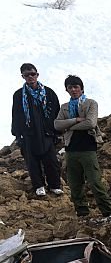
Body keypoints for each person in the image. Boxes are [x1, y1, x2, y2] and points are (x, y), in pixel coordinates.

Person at [53, 75, 111, 217]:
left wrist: (70, 126)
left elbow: (91, 123)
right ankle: (82, 213)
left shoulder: (91, 103)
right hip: (70, 150)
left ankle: (108, 213)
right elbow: (57, 124)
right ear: (66, 90)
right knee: (75, 186)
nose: (73, 90)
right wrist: (75, 119)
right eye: (70, 87)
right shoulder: (65, 107)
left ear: (81, 88)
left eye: (76, 87)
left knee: (95, 183)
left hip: (88, 149)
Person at [11, 63, 62, 197]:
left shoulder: (49, 93)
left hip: (47, 133)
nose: (30, 77)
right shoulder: (18, 95)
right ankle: (39, 186)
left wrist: (57, 132)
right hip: (29, 134)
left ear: (37, 75)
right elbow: (16, 114)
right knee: (32, 162)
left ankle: (54, 185)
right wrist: (18, 134)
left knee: (51, 160)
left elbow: (56, 112)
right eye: (27, 75)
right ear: (23, 76)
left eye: (32, 74)